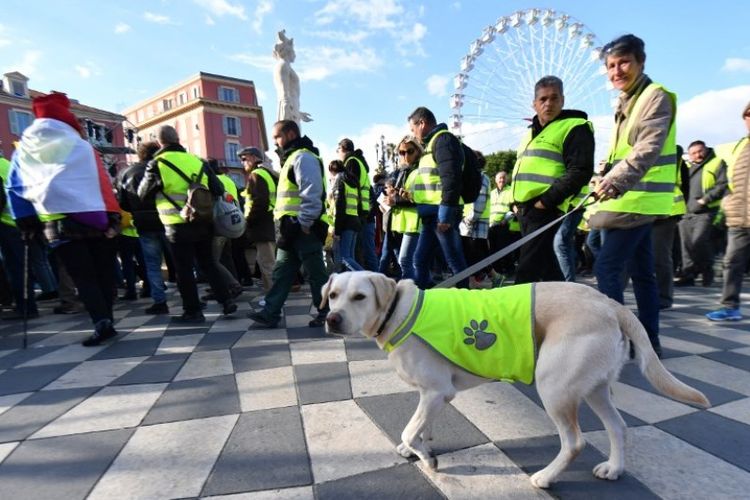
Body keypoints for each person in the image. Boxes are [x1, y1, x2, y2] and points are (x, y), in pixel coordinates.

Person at [8, 92, 121, 346]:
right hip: (97, 218)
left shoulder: (26, 147)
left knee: (83, 277)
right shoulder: (82, 146)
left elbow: (15, 186)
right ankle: (108, 318)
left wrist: (25, 219)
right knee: (104, 273)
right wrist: (113, 216)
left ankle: (101, 321)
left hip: (58, 223)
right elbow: (102, 182)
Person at [591, 34, 678, 357]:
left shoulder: (654, 97)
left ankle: (621, 341)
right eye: (611, 66)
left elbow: (647, 147)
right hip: (630, 199)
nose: (617, 71)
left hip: (637, 199)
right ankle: (649, 342)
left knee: (606, 268)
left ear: (641, 62)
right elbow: (621, 153)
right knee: (642, 274)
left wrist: (614, 181)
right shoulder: (626, 101)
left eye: (624, 62)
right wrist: (604, 177)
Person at [138, 125, 236, 322]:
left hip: (176, 223)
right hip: (202, 220)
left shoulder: (157, 164)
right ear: (178, 139)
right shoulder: (197, 161)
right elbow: (217, 189)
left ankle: (193, 311)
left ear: (160, 142)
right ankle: (226, 301)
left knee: (184, 269)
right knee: (208, 264)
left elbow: (142, 194)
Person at [511, 75, 595, 284]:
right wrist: (514, 202)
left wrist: (545, 202)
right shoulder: (530, 133)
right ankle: (569, 306)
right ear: (534, 103)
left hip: (545, 207)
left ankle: (516, 314)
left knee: (526, 268)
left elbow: (580, 170)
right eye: (543, 99)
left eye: (554, 98)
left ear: (563, 100)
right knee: (547, 265)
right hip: (525, 209)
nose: (548, 103)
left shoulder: (575, 126)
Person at [248, 120, 330, 328]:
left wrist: (301, 223)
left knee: (315, 273)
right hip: (292, 229)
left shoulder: (303, 157)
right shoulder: (294, 158)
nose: (275, 142)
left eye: (277, 137)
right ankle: (270, 312)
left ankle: (326, 312)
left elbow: (312, 193)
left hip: (304, 228)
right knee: (282, 272)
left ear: (291, 134)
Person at [408, 106, 469, 288]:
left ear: (422, 123)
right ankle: (426, 301)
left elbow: (451, 178)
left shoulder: (442, 140)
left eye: (413, 129)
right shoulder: (434, 143)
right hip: (432, 214)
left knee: (454, 262)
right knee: (420, 259)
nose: (413, 135)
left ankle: (465, 303)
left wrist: (445, 215)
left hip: (441, 214)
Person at [706, 102, 750, 321]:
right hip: (738, 217)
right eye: (747, 116)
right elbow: (728, 181)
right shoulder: (738, 147)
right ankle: (730, 305)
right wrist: (727, 204)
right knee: (731, 262)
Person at [117, 141, 170, 314]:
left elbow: (123, 203)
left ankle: (159, 301)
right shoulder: (163, 168)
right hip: (167, 219)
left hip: (143, 224)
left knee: (152, 264)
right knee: (179, 261)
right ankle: (190, 300)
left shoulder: (127, 173)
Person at [675, 140, 728, 287]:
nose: (697, 155)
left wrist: (705, 200)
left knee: (700, 242)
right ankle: (688, 274)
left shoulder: (717, 163)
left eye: (700, 151)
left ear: (705, 150)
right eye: (693, 153)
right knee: (686, 246)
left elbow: (723, 185)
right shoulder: (687, 168)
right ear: (689, 155)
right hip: (686, 212)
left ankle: (706, 270)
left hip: (706, 212)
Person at [0, 155, 39, 320]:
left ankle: (26, 308)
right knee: (22, 267)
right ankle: (28, 306)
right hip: (20, 221)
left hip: (6, 224)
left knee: (15, 269)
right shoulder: (6, 163)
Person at [652, 146, 688, 309]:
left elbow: (685, 185)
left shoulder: (676, 153)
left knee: (660, 255)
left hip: (667, 211)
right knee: (630, 255)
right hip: (640, 207)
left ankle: (664, 297)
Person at [239, 146, 277, 294]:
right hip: (269, 223)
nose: (242, 162)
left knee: (267, 265)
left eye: (244, 158)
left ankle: (273, 301)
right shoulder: (266, 173)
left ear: (254, 158)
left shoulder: (256, 175)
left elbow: (260, 202)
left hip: (262, 226)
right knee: (268, 263)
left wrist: (248, 220)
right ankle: (273, 298)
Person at [386, 135, 422, 282]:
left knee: (406, 261)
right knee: (411, 261)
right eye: (401, 152)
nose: (405, 155)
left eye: (409, 151)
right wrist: (392, 193)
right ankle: (420, 290)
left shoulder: (419, 170)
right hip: (401, 221)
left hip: (414, 222)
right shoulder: (403, 171)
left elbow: (418, 198)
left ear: (417, 151)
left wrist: (394, 200)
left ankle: (414, 295)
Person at [338, 138, 378, 271]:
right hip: (363, 212)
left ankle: (372, 281)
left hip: (357, 213)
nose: (338, 154)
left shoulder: (351, 162)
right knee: (357, 254)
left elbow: (351, 189)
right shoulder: (358, 162)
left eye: (338, 150)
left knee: (355, 255)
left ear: (343, 149)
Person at [459, 151, 492, 288]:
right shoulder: (478, 177)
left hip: (474, 220)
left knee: (473, 254)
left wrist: (470, 219)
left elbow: (479, 201)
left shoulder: (481, 177)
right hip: (472, 220)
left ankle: (478, 281)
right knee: (474, 253)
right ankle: (481, 279)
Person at [328, 159, 362, 271]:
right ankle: (354, 286)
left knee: (345, 258)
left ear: (333, 171)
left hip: (346, 223)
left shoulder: (339, 180)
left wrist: (337, 230)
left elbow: (339, 207)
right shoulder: (353, 180)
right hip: (355, 221)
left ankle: (367, 278)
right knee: (350, 257)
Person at [273, 30, 311, 124]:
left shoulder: (286, 66)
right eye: (293, 49)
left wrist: (299, 114)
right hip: (289, 111)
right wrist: (288, 114)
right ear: (288, 49)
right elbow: (284, 93)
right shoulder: (283, 65)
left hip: (293, 109)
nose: (295, 53)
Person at [488, 171, 520, 278]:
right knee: (493, 249)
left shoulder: (510, 191)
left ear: (506, 179)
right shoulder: (491, 193)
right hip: (492, 225)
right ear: (495, 180)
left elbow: (514, 207)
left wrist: (506, 219)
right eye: (500, 178)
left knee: (505, 249)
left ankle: (509, 270)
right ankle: (497, 271)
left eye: (503, 178)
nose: (502, 180)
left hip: (504, 225)